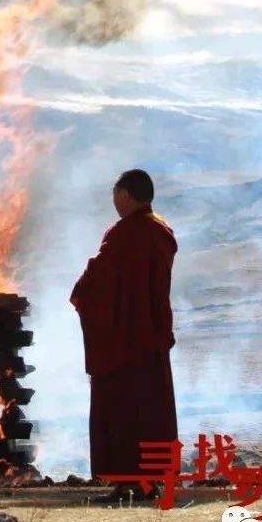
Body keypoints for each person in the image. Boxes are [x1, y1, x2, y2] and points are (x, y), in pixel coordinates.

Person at [70, 169, 178, 503]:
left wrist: (81, 293)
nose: (114, 201)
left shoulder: (123, 234)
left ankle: (126, 482)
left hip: (121, 342)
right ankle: (151, 481)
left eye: (116, 194)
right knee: (152, 411)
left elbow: (97, 279)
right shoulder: (162, 233)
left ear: (126, 195)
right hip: (152, 339)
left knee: (122, 412)